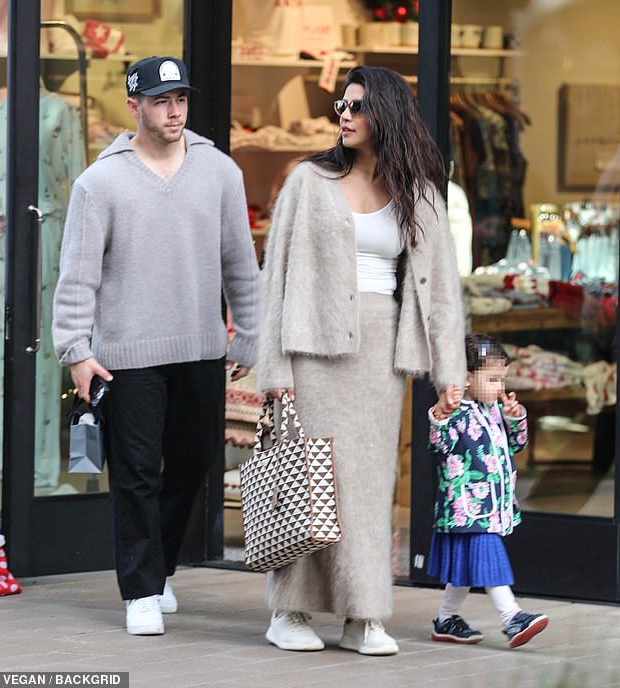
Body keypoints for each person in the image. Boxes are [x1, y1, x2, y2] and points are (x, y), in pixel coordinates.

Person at [256, 65, 467, 655]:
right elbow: (277, 281)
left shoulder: (420, 190)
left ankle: (363, 616)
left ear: (387, 115)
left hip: (380, 354)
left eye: (356, 106)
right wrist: (273, 371)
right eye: (341, 106)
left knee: (369, 487)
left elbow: (441, 287)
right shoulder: (308, 180)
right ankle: (289, 611)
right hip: (313, 349)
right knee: (310, 485)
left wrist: (450, 375)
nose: (343, 115)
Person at [52, 56, 259, 635]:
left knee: (194, 462)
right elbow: (78, 275)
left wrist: (251, 331)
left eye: (181, 100)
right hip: (125, 354)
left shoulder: (219, 171)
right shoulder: (101, 183)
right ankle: (140, 589)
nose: (174, 111)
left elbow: (240, 262)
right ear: (134, 106)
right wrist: (75, 349)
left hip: (199, 346)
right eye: (162, 100)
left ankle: (158, 566)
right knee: (136, 473)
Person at [427, 333, 548, 649]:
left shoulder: (493, 410)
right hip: (467, 508)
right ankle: (512, 618)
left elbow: (516, 445)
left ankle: (446, 619)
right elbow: (438, 446)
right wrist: (440, 416)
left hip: (489, 508)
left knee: (464, 570)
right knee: (488, 557)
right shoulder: (455, 411)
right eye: (492, 379)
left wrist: (515, 419)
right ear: (467, 378)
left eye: (502, 379)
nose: (499, 387)